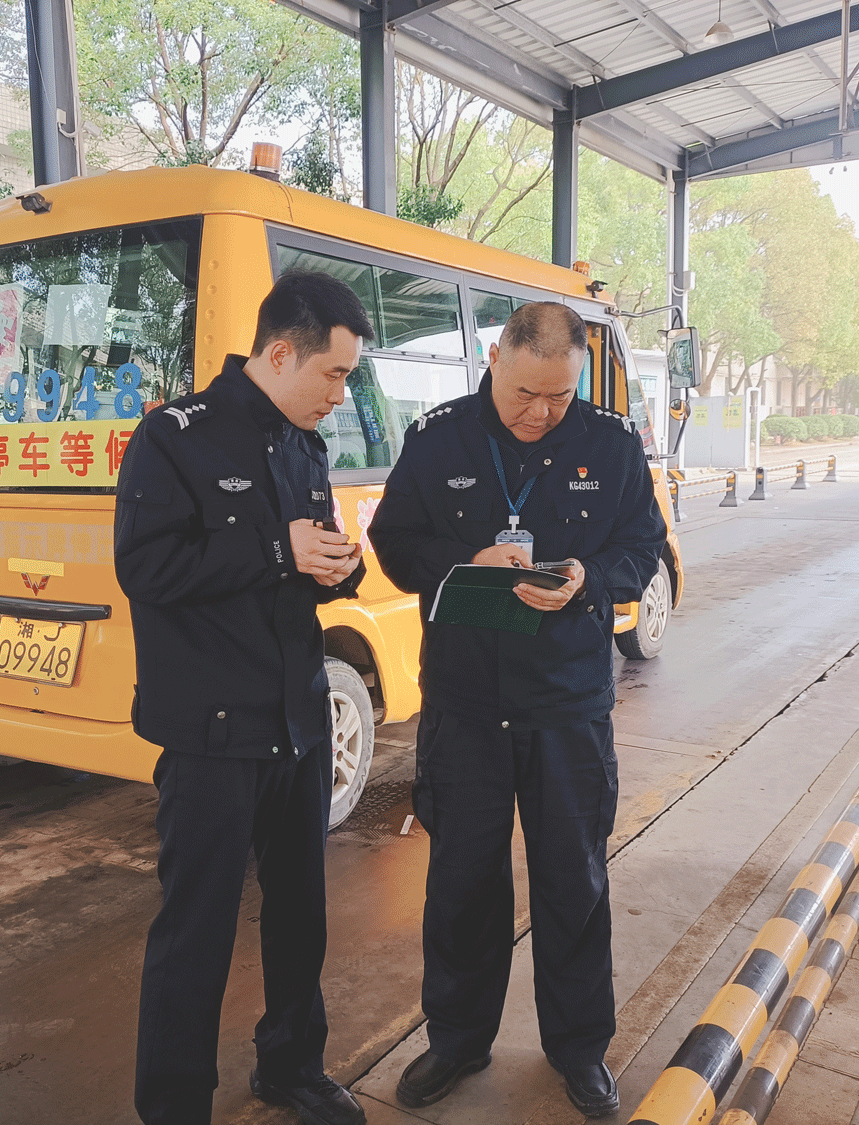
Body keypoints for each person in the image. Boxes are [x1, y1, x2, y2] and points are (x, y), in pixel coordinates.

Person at [368, 302, 667, 1119]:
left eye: (559, 397)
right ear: (495, 357)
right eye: (527, 392)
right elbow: (393, 543)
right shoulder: (439, 440)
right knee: (462, 881)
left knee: (574, 878)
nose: (541, 413)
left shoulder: (608, 444)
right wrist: (463, 560)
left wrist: (589, 580)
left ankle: (578, 1049)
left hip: (567, 707)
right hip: (466, 707)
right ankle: (457, 1041)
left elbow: (644, 547)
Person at [116, 272, 374, 1125]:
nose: (340, 396)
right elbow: (146, 570)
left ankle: (293, 1066)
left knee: (301, 919)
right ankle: (175, 1105)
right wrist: (277, 548)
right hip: (211, 735)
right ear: (279, 351)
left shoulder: (305, 446)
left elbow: (311, 555)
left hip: (296, 724)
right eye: (333, 375)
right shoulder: (176, 436)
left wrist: (342, 565)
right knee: (197, 932)